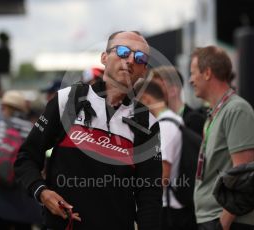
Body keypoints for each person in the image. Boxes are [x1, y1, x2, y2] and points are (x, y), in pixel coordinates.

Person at [14, 31, 162, 230]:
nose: (129, 60)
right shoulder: (67, 100)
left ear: (143, 70)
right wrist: (42, 191)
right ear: (104, 57)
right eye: (122, 51)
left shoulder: (147, 123)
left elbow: (150, 195)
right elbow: (26, 157)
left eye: (139, 57)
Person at [190, 46, 254, 230]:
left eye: (193, 73)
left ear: (207, 73)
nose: (191, 80)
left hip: (229, 221)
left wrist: (223, 223)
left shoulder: (236, 110)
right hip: (213, 218)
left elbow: (243, 174)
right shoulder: (216, 113)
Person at [135, 79, 197, 230]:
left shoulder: (165, 126)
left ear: (146, 100)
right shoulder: (174, 120)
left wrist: (145, 204)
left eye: (135, 104)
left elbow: (163, 172)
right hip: (173, 206)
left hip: (169, 209)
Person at [0, 90, 42, 230]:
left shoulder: (3, 124)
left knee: (4, 219)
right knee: (23, 221)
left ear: (10, 108)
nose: (1, 110)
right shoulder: (30, 126)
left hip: (5, 178)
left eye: (4, 107)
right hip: (23, 179)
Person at [148, 66, 205, 135]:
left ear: (173, 91)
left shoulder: (195, 121)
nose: (151, 94)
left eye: (156, 89)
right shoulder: (156, 123)